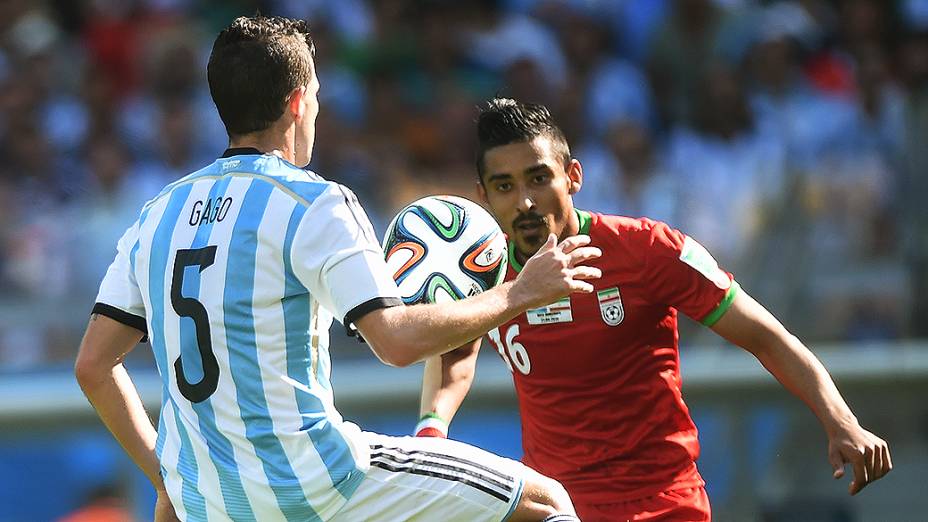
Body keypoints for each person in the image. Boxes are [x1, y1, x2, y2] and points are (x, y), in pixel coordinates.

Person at [74, 17, 603, 522]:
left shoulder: (158, 213)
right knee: (544, 502)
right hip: (318, 486)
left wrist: (166, 479)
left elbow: (93, 366)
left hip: (211, 503)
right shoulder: (313, 202)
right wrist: (519, 292)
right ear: (298, 102)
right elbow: (395, 343)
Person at [415, 98, 892, 521]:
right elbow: (455, 355)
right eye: (503, 186)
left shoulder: (648, 249)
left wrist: (842, 422)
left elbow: (765, 336)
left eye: (538, 178)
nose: (524, 201)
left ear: (573, 176)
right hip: (559, 508)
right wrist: (431, 429)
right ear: (482, 196)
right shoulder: (482, 272)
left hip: (664, 502)